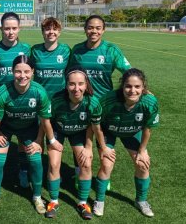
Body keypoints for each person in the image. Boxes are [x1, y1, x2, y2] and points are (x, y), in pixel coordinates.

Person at [0, 55, 57, 215]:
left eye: (26, 71)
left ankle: (37, 196)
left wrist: (42, 140)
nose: (22, 75)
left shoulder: (39, 92)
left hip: (29, 128)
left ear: (32, 71)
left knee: (36, 160)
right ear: (12, 72)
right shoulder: (3, 92)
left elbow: (45, 121)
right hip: (5, 129)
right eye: (18, 71)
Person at [68, 14, 131, 188]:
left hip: (105, 105)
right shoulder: (78, 50)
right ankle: (79, 172)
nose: (93, 31)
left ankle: (105, 175)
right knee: (80, 139)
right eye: (90, 27)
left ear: (103, 30)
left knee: (102, 140)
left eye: (97, 28)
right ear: (85, 29)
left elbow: (128, 71)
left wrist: (143, 88)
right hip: (82, 104)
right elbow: (70, 73)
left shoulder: (111, 50)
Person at [92, 68, 159, 218]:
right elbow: (96, 124)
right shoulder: (108, 100)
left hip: (132, 131)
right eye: (128, 86)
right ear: (122, 86)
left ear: (143, 87)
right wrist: (103, 147)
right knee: (107, 164)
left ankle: (141, 200)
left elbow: (148, 128)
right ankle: (99, 200)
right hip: (108, 130)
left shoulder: (150, 102)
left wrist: (142, 151)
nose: (132, 90)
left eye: (137, 87)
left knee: (143, 164)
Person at [45, 67, 102, 219]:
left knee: (85, 163)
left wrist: (89, 147)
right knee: (54, 163)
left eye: (80, 84)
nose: (76, 88)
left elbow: (92, 126)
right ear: (66, 85)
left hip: (78, 132)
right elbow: (46, 121)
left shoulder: (92, 102)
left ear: (86, 85)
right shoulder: (56, 100)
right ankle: (53, 201)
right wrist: (50, 140)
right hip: (58, 130)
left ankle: (83, 202)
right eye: (72, 84)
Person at [0, 12, 32, 188]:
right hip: (0, 105)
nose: (10, 32)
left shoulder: (26, 49)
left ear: (19, 28)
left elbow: (30, 74)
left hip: (20, 103)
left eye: (13, 28)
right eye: (7, 28)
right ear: (1, 29)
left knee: (22, 140)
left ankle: (23, 170)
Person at [31, 17, 70, 99]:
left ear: (59, 32)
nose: (51, 32)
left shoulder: (66, 50)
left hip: (60, 98)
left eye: (55, 29)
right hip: (39, 97)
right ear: (42, 32)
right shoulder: (35, 50)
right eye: (47, 29)